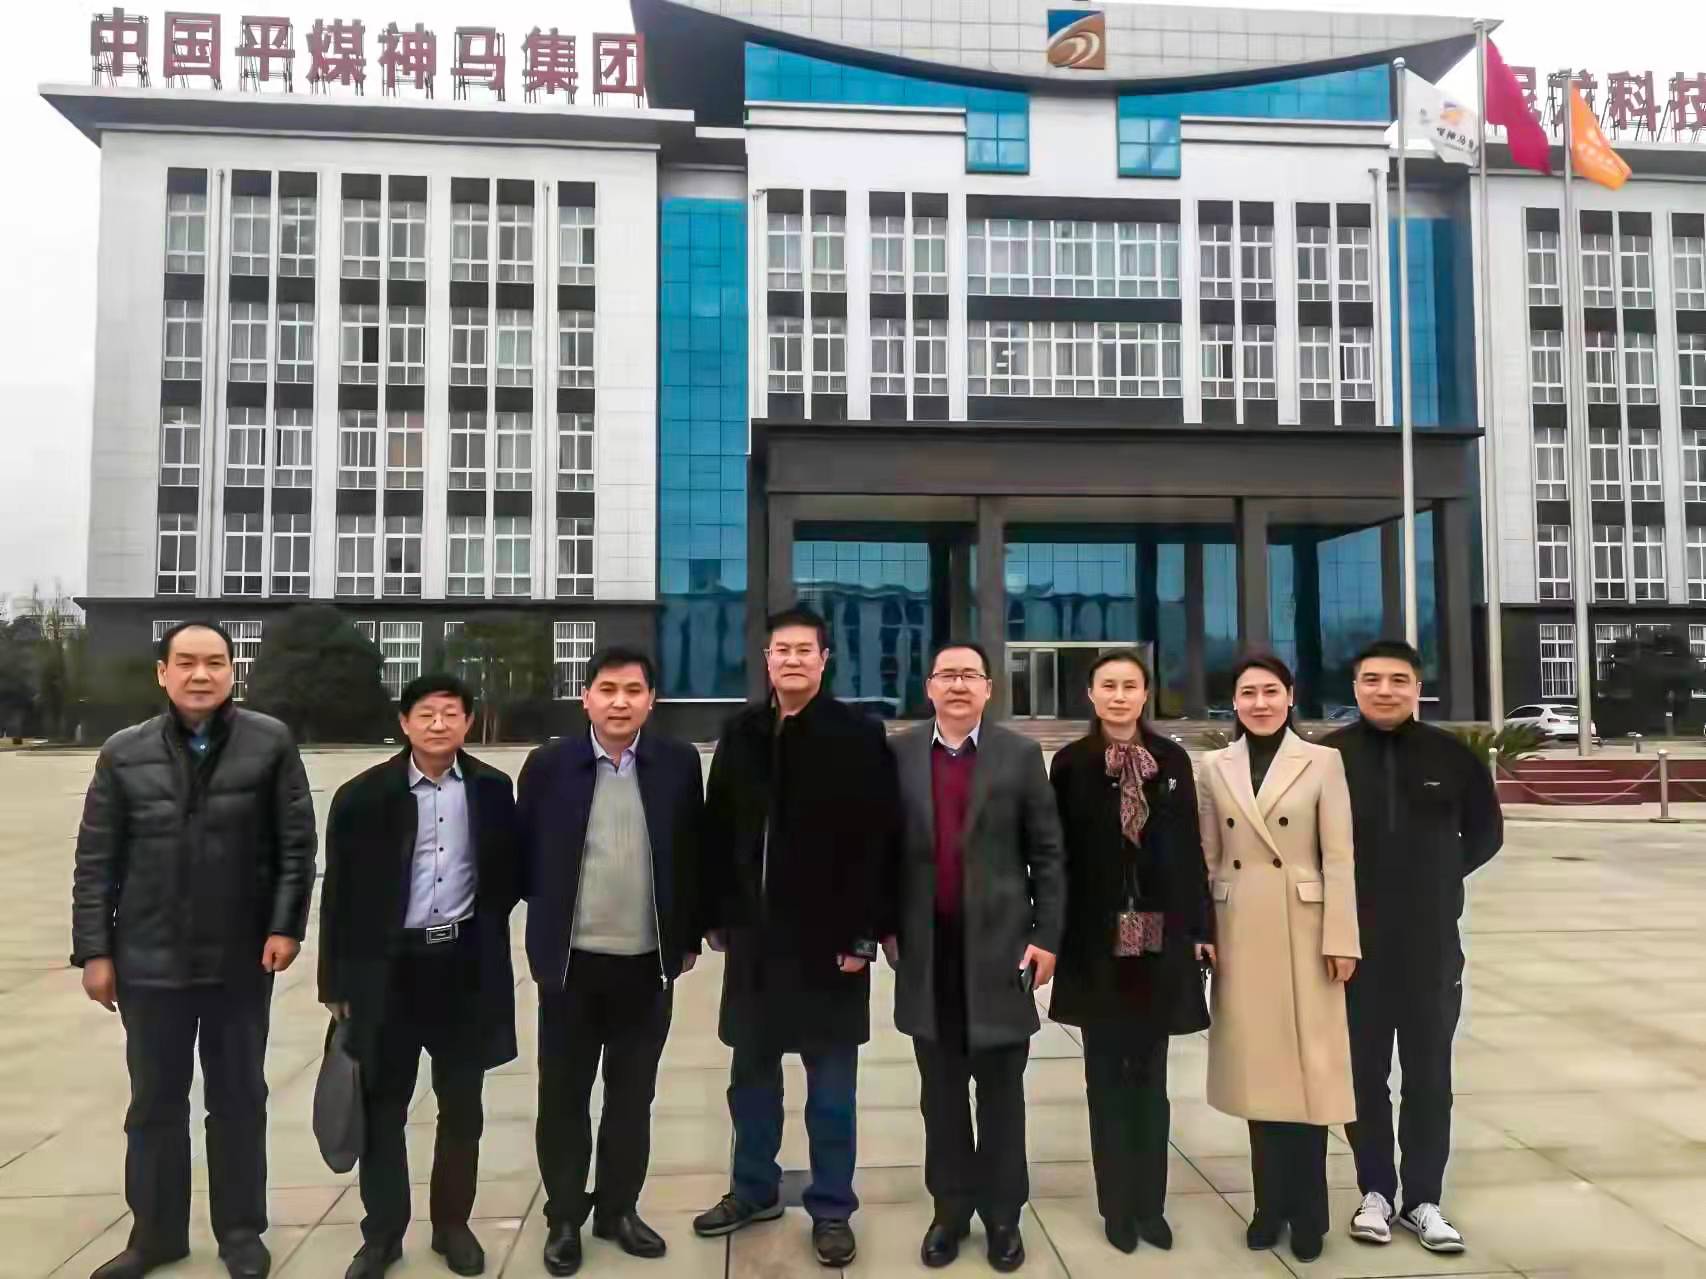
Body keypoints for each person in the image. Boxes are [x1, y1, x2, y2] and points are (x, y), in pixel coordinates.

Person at [71, 621, 316, 1279]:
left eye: (214, 662)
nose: (200, 674)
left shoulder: (269, 742)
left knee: (238, 1100)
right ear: (163, 672)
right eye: (186, 662)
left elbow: (296, 845)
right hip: (148, 960)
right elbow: (96, 860)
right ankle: (155, 1235)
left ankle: (240, 1232)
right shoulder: (123, 752)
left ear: (234, 670)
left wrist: (285, 926)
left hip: (241, 959)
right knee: (155, 1104)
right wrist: (94, 951)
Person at [692, 606, 902, 1269]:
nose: (791, 659)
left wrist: (864, 935)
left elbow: (880, 838)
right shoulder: (742, 733)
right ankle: (754, 1188)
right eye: (781, 649)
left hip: (831, 945)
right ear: (766, 658)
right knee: (751, 1080)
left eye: (804, 650)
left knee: (831, 1091)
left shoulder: (857, 734)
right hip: (756, 944)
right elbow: (717, 827)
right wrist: (715, 911)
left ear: (824, 658)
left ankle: (832, 1207)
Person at [319, 674, 520, 1279]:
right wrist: (335, 983)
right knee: (384, 1107)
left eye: (450, 713)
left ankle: (452, 1225)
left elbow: (506, 877)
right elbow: (339, 896)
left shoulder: (491, 789)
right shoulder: (361, 797)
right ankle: (382, 1235)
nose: (438, 724)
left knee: (462, 1106)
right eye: (426, 714)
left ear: (467, 722)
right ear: (404, 723)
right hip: (388, 971)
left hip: (462, 968)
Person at [517, 647, 706, 1277]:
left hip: (647, 965)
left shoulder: (678, 763)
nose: (619, 702)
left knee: (632, 1097)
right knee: (563, 1097)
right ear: (587, 698)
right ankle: (564, 1217)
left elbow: (692, 852)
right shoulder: (548, 766)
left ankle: (619, 1210)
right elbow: (524, 854)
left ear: (651, 700)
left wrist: (687, 935)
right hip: (570, 967)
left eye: (632, 691)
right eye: (607, 689)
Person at [889, 641, 1064, 1273]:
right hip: (928, 953)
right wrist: (883, 926)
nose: (958, 685)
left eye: (970, 675)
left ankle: (1003, 1215)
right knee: (939, 1096)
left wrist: (1047, 935)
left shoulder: (1019, 755)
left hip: (1000, 952)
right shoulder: (901, 753)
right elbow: (883, 849)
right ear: (929, 687)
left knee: (1000, 1096)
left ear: (989, 688)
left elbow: (1048, 853)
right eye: (948, 675)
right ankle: (950, 1210)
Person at [1325, 639, 1503, 1255]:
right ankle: (1375, 1191)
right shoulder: (1330, 758)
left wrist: (1438, 877)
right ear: (1355, 687)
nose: (1385, 690)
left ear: (1417, 688)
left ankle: (1424, 1199)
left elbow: (1486, 833)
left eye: (1398, 680)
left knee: (1429, 1076)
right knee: (1363, 1076)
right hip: (1354, 948)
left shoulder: (1451, 756)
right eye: (1372, 679)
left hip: (1430, 947)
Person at [1047, 649, 1212, 1256]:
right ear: (1091, 695)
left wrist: (1201, 927)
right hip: (1094, 939)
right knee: (1104, 1073)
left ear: (1146, 694)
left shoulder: (1171, 760)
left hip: (1155, 936)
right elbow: (1055, 855)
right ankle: (1115, 1206)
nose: (1119, 696)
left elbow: (1190, 849)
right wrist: (1050, 932)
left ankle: (1151, 1205)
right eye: (1108, 686)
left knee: (1149, 1072)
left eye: (1130, 686)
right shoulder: (1071, 764)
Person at [1198, 653, 1359, 1264]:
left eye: (1270, 691)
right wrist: (1204, 931)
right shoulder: (1214, 766)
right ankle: (1268, 1207)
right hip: (1240, 928)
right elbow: (1208, 856)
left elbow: (1339, 857)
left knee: (1308, 1075)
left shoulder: (1322, 762)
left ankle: (1309, 1212)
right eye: (1248, 693)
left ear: (1290, 696)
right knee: (1258, 1075)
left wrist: (1342, 937)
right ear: (1234, 702)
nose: (1259, 703)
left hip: (1306, 929)